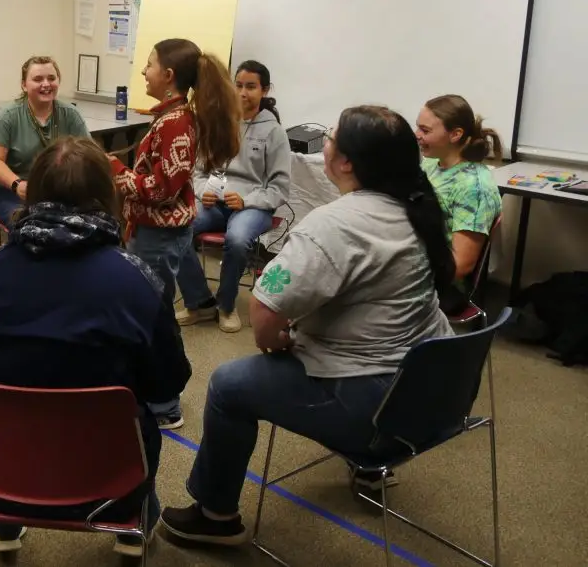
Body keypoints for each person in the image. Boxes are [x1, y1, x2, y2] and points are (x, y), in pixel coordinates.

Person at [160, 106, 455, 545]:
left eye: (332, 136)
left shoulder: (333, 225)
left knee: (227, 384)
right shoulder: (419, 210)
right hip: (434, 395)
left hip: (374, 411)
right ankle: (370, 471)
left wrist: (278, 341)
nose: (327, 143)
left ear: (346, 162)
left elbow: (263, 311)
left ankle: (215, 516)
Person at [0, 136, 191, 559]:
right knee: (139, 416)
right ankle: (130, 532)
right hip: (109, 480)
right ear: (106, 196)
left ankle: (4, 528)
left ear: (35, 193)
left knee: (3, 403)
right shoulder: (136, 280)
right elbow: (168, 382)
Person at [110, 37, 240, 430]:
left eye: (148, 65)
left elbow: (161, 190)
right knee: (156, 312)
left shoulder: (177, 123)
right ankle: (162, 387)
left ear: (168, 76)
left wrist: (118, 172)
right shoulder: (169, 117)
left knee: (153, 318)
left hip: (158, 236)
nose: (143, 72)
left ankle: (165, 403)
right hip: (156, 233)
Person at [175, 60, 291, 332]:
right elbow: (199, 171)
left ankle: (226, 306)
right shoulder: (219, 123)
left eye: (250, 87)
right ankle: (200, 302)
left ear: (265, 90)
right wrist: (203, 192)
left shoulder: (274, 132)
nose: (242, 93)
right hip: (215, 203)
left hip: (253, 206)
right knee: (177, 226)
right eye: (238, 85)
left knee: (238, 240)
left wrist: (247, 201)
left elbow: (280, 187)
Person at [415, 94, 503, 313]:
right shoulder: (432, 164)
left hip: (441, 285)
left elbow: (461, 264)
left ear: (455, 134)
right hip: (415, 260)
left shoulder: (474, 187)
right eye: (418, 128)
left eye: (425, 131)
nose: (417, 135)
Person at [0, 56, 90, 224]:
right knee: (29, 225)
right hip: (10, 190)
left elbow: (89, 156)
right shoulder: (8, 116)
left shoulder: (70, 114)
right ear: (24, 85)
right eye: (38, 79)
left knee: (84, 223)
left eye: (51, 78)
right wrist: (17, 184)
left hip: (57, 190)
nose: (46, 84)